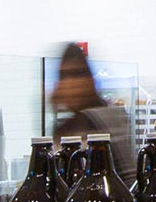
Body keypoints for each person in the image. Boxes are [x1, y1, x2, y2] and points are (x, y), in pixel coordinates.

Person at [50, 40, 136, 184]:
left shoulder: (106, 120)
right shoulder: (67, 127)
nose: (71, 85)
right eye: (65, 77)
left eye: (77, 75)